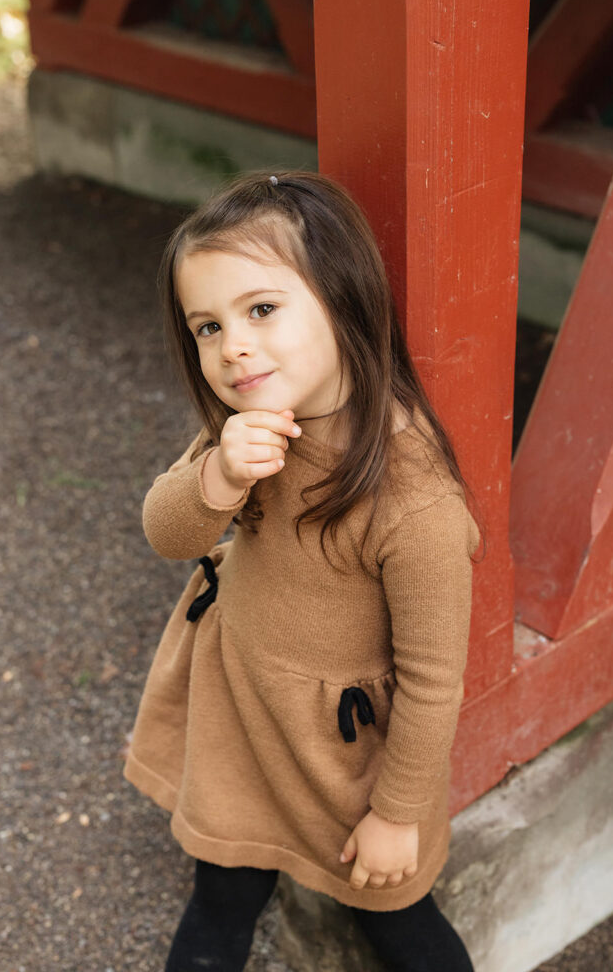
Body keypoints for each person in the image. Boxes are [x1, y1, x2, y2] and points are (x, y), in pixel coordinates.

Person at [123, 170, 486, 971]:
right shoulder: (248, 430)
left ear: (343, 296)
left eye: (260, 310)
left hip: (342, 759)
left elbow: (432, 680)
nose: (232, 346)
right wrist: (216, 478)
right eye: (206, 327)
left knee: (397, 922)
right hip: (240, 718)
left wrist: (396, 816)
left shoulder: (413, 500)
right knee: (219, 899)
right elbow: (166, 532)